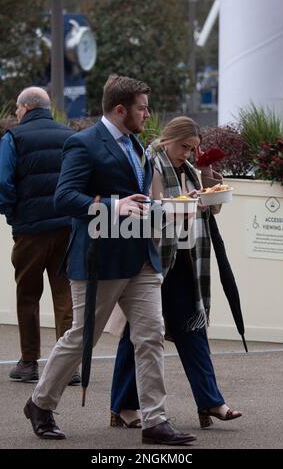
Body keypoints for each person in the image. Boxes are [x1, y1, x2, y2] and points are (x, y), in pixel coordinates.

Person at [23, 75, 196, 445]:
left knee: (151, 336)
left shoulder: (137, 145)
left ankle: (155, 421)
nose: (147, 115)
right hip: (99, 259)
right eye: (142, 108)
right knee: (81, 338)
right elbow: (65, 198)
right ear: (121, 110)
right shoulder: (82, 144)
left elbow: (139, 199)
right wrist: (115, 205)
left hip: (142, 259)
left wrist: (163, 210)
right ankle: (40, 403)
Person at [109, 116, 242, 429]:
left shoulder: (190, 170)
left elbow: (209, 209)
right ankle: (123, 406)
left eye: (193, 148)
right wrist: (181, 207)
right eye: (184, 146)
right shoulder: (149, 167)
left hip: (185, 262)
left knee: (193, 329)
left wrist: (207, 184)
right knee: (138, 336)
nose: (188, 153)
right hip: (154, 262)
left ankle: (211, 402)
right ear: (167, 139)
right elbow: (146, 212)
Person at [0, 87, 80, 386]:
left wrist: (12, 215)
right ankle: (68, 367)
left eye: (17, 109)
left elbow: (2, 183)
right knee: (65, 295)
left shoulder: (14, 138)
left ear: (25, 107)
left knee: (28, 295)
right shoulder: (68, 135)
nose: (16, 114)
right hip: (67, 227)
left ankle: (29, 363)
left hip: (30, 230)